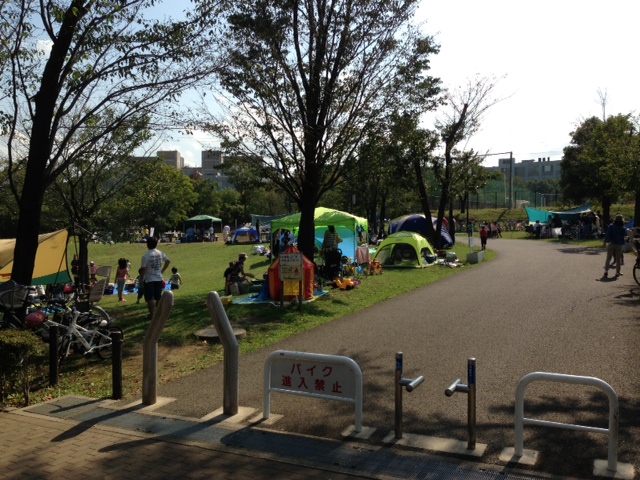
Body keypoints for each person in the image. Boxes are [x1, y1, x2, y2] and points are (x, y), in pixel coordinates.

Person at [141, 237, 171, 319]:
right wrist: (162, 270)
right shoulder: (160, 253)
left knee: (150, 298)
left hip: (149, 279)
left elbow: (143, 269)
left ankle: (152, 314)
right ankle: (158, 313)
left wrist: (141, 279)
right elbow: (168, 261)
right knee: (158, 296)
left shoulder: (145, 256)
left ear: (147, 244)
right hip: (159, 277)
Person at [603, 214, 626, 279]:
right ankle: (617, 272)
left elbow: (607, 234)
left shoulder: (611, 226)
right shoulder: (622, 228)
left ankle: (606, 271)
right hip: (619, 244)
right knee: (618, 259)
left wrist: (605, 242)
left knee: (608, 258)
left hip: (611, 243)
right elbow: (624, 235)